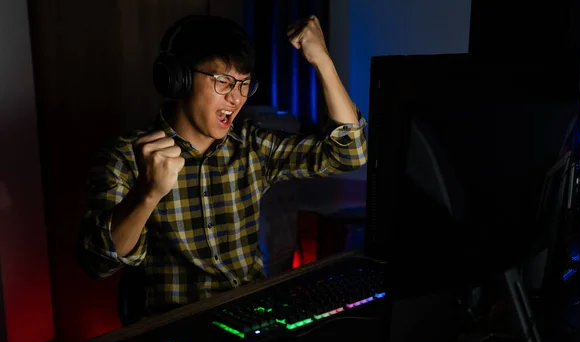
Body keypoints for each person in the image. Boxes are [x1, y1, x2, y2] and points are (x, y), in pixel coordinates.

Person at [77, 14, 367, 320]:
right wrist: (146, 195)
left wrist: (323, 61)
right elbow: (97, 263)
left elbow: (349, 154)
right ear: (180, 79)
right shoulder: (125, 157)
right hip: (178, 326)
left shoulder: (252, 146)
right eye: (223, 82)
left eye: (244, 84)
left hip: (253, 315)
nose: (236, 98)